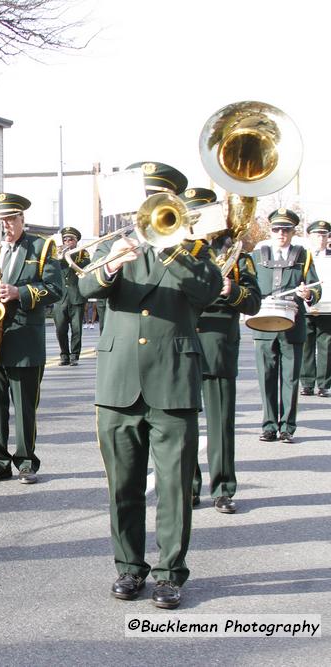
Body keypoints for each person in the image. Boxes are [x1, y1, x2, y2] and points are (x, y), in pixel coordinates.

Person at [79, 161, 222, 610]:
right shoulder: (119, 248)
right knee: (122, 485)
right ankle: (129, 567)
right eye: (147, 200)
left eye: (159, 200)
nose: (151, 208)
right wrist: (112, 264)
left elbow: (208, 291)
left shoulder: (194, 253)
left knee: (174, 488)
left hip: (172, 382)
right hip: (118, 383)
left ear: (174, 205)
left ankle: (170, 573)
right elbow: (84, 287)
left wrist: (170, 246)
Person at [0, 193, 62, 484]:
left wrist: (21, 293)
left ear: (22, 220)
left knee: (25, 406)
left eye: (10, 219)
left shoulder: (42, 247)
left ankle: (27, 461)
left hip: (25, 340)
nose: (5, 225)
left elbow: (56, 289)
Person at [182, 188, 261, 515]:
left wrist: (232, 290)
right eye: (191, 216)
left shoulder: (237, 252)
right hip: (183, 344)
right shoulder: (177, 251)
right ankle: (189, 487)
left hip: (219, 345)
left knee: (220, 424)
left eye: (201, 214)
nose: (196, 221)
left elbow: (254, 302)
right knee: (183, 425)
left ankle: (224, 489)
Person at [251, 208, 322, 443]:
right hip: (263, 324)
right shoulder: (256, 255)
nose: (281, 233)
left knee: (290, 378)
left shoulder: (304, 255)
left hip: (292, 324)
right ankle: (269, 425)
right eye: (276, 229)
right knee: (266, 377)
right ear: (270, 231)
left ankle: (287, 427)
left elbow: (315, 287)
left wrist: (308, 293)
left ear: (293, 232)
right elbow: (248, 287)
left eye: (286, 229)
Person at [300, 220, 331, 397]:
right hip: (306, 305)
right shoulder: (302, 256)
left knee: (326, 345)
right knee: (306, 343)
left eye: (324, 235)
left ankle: (324, 384)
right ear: (309, 236)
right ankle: (307, 383)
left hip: (327, 306)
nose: (320, 238)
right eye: (317, 234)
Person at [53, 226, 89, 366]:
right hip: (60, 298)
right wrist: (59, 255)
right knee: (60, 329)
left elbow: (85, 267)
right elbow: (51, 268)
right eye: (65, 239)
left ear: (76, 241)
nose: (67, 241)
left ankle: (74, 355)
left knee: (76, 329)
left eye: (70, 239)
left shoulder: (82, 253)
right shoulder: (56, 253)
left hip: (76, 296)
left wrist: (69, 257)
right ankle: (64, 355)